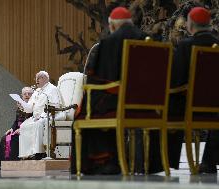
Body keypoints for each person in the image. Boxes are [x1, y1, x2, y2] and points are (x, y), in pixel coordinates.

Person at [72, 6, 147, 175]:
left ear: (112, 26)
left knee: (88, 109)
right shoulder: (150, 39)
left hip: (121, 102)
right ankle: (145, 163)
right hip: (149, 104)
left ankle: (105, 161)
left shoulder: (110, 43)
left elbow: (97, 78)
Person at [170, 7, 219, 174]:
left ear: (190, 25)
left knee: (162, 107)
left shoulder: (186, 45)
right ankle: (208, 162)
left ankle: (162, 161)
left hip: (187, 106)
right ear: (209, 24)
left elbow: (176, 80)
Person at [18, 71, 63, 159]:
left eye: (38, 78)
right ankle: (26, 154)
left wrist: (41, 116)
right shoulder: (37, 91)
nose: (36, 81)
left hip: (49, 114)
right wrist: (22, 105)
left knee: (38, 124)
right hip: (36, 117)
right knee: (24, 126)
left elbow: (54, 106)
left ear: (45, 79)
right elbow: (29, 108)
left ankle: (38, 153)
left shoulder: (52, 89)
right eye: (36, 79)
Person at [0, 87, 33, 170]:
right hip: (18, 129)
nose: (27, 95)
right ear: (21, 95)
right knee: (5, 138)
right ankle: (2, 164)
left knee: (13, 139)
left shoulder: (33, 106)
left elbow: (33, 121)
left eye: (29, 93)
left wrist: (22, 129)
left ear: (32, 95)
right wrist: (11, 129)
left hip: (29, 130)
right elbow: (16, 121)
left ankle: (11, 164)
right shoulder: (20, 105)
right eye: (25, 94)